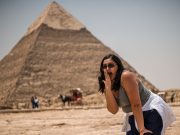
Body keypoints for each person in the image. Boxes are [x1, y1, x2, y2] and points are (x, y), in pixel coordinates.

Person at [98, 54, 175, 135]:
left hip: (150, 109)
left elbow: (136, 104)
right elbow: (113, 110)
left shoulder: (126, 76)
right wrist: (108, 89)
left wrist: (142, 129)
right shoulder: (106, 83)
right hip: (133, 113)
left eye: (110, 65)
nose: (107, 69)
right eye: (104, 66)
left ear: (118, 66)